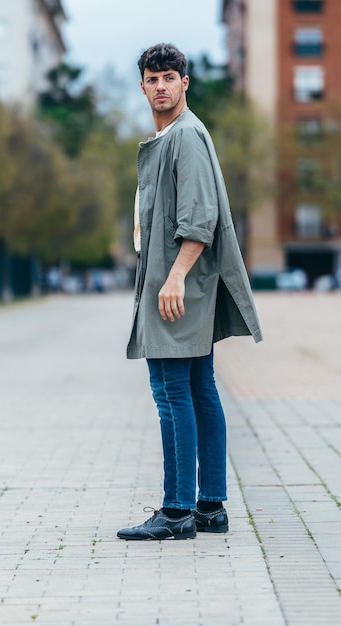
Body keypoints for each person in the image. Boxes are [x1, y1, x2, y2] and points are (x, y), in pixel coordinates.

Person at [117, 43, 262, 541]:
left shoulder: (187, 137)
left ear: (185, 83)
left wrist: (176, 276)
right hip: (177, 283)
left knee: (171, 392)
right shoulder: (173, 137)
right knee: (199, 390)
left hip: (180, 287)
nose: (161, 85)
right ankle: (210, 507)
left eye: (169, 77)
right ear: (142, 85)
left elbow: (199, 219)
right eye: (152, 78)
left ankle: (177, 511)